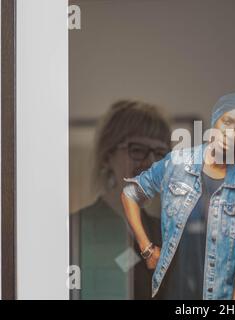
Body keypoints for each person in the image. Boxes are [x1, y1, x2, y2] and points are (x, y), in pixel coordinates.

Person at [121, 93, 235, 300]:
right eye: (227, 121)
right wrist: (147, 249)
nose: (231, 132)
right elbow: (130, 194)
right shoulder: (178, 163)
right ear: (215, 121)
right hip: (171, 294)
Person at [70, 100, 171, 299]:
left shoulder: (165, 233)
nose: (151, 163)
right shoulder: (75, 229)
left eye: (160, 154)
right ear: (108, 157)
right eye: (137, 150)